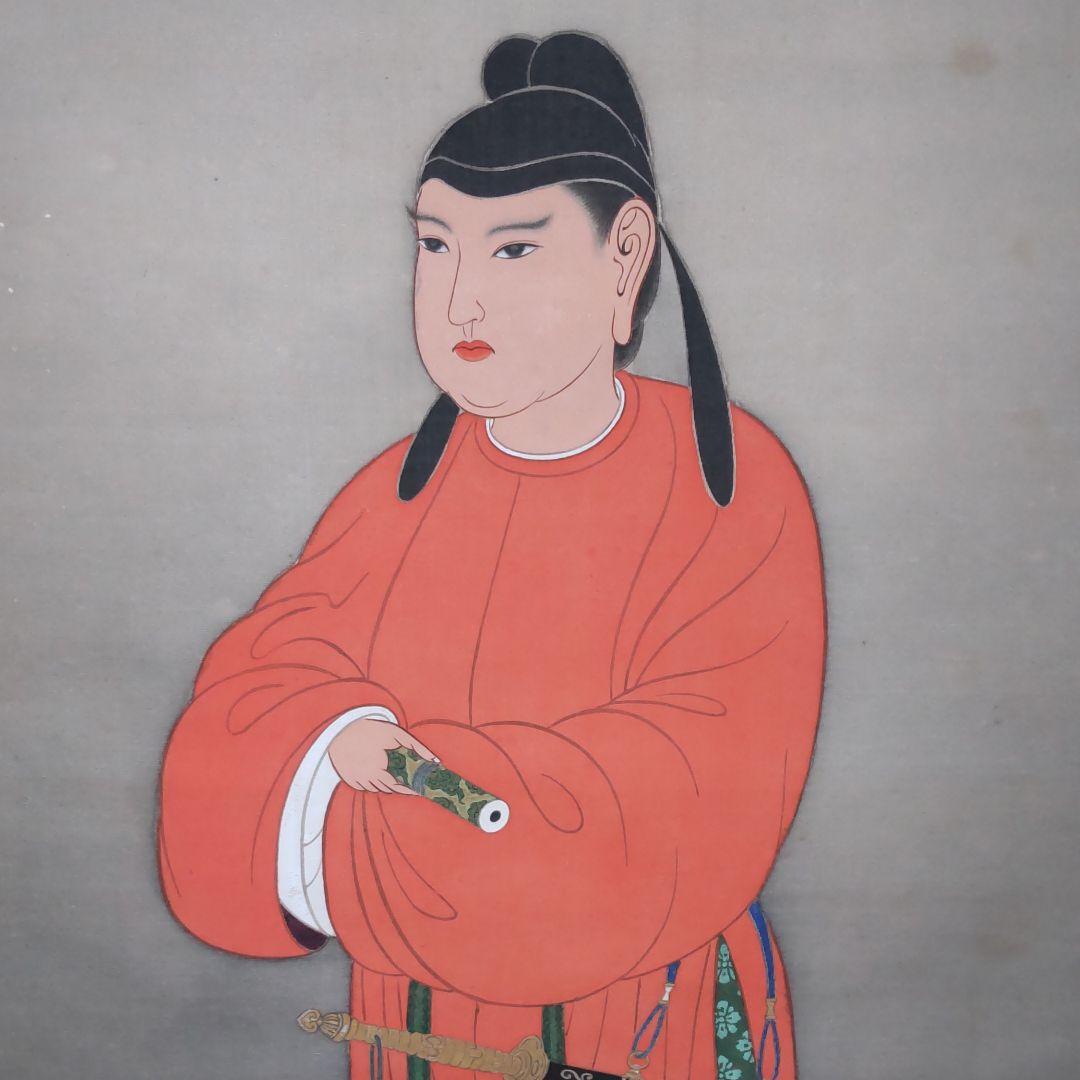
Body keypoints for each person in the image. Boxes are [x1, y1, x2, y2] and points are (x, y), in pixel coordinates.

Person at [157, 31, 826, 1080]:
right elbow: (243, 710)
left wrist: (365, 773)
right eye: (436, 246)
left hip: (652, 1027)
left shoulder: (731, 485)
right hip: (414, 1037)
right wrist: (337, 736)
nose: (459, 298)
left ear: (625, 252)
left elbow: (678, 808)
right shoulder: (393, 492)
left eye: (514, 250)